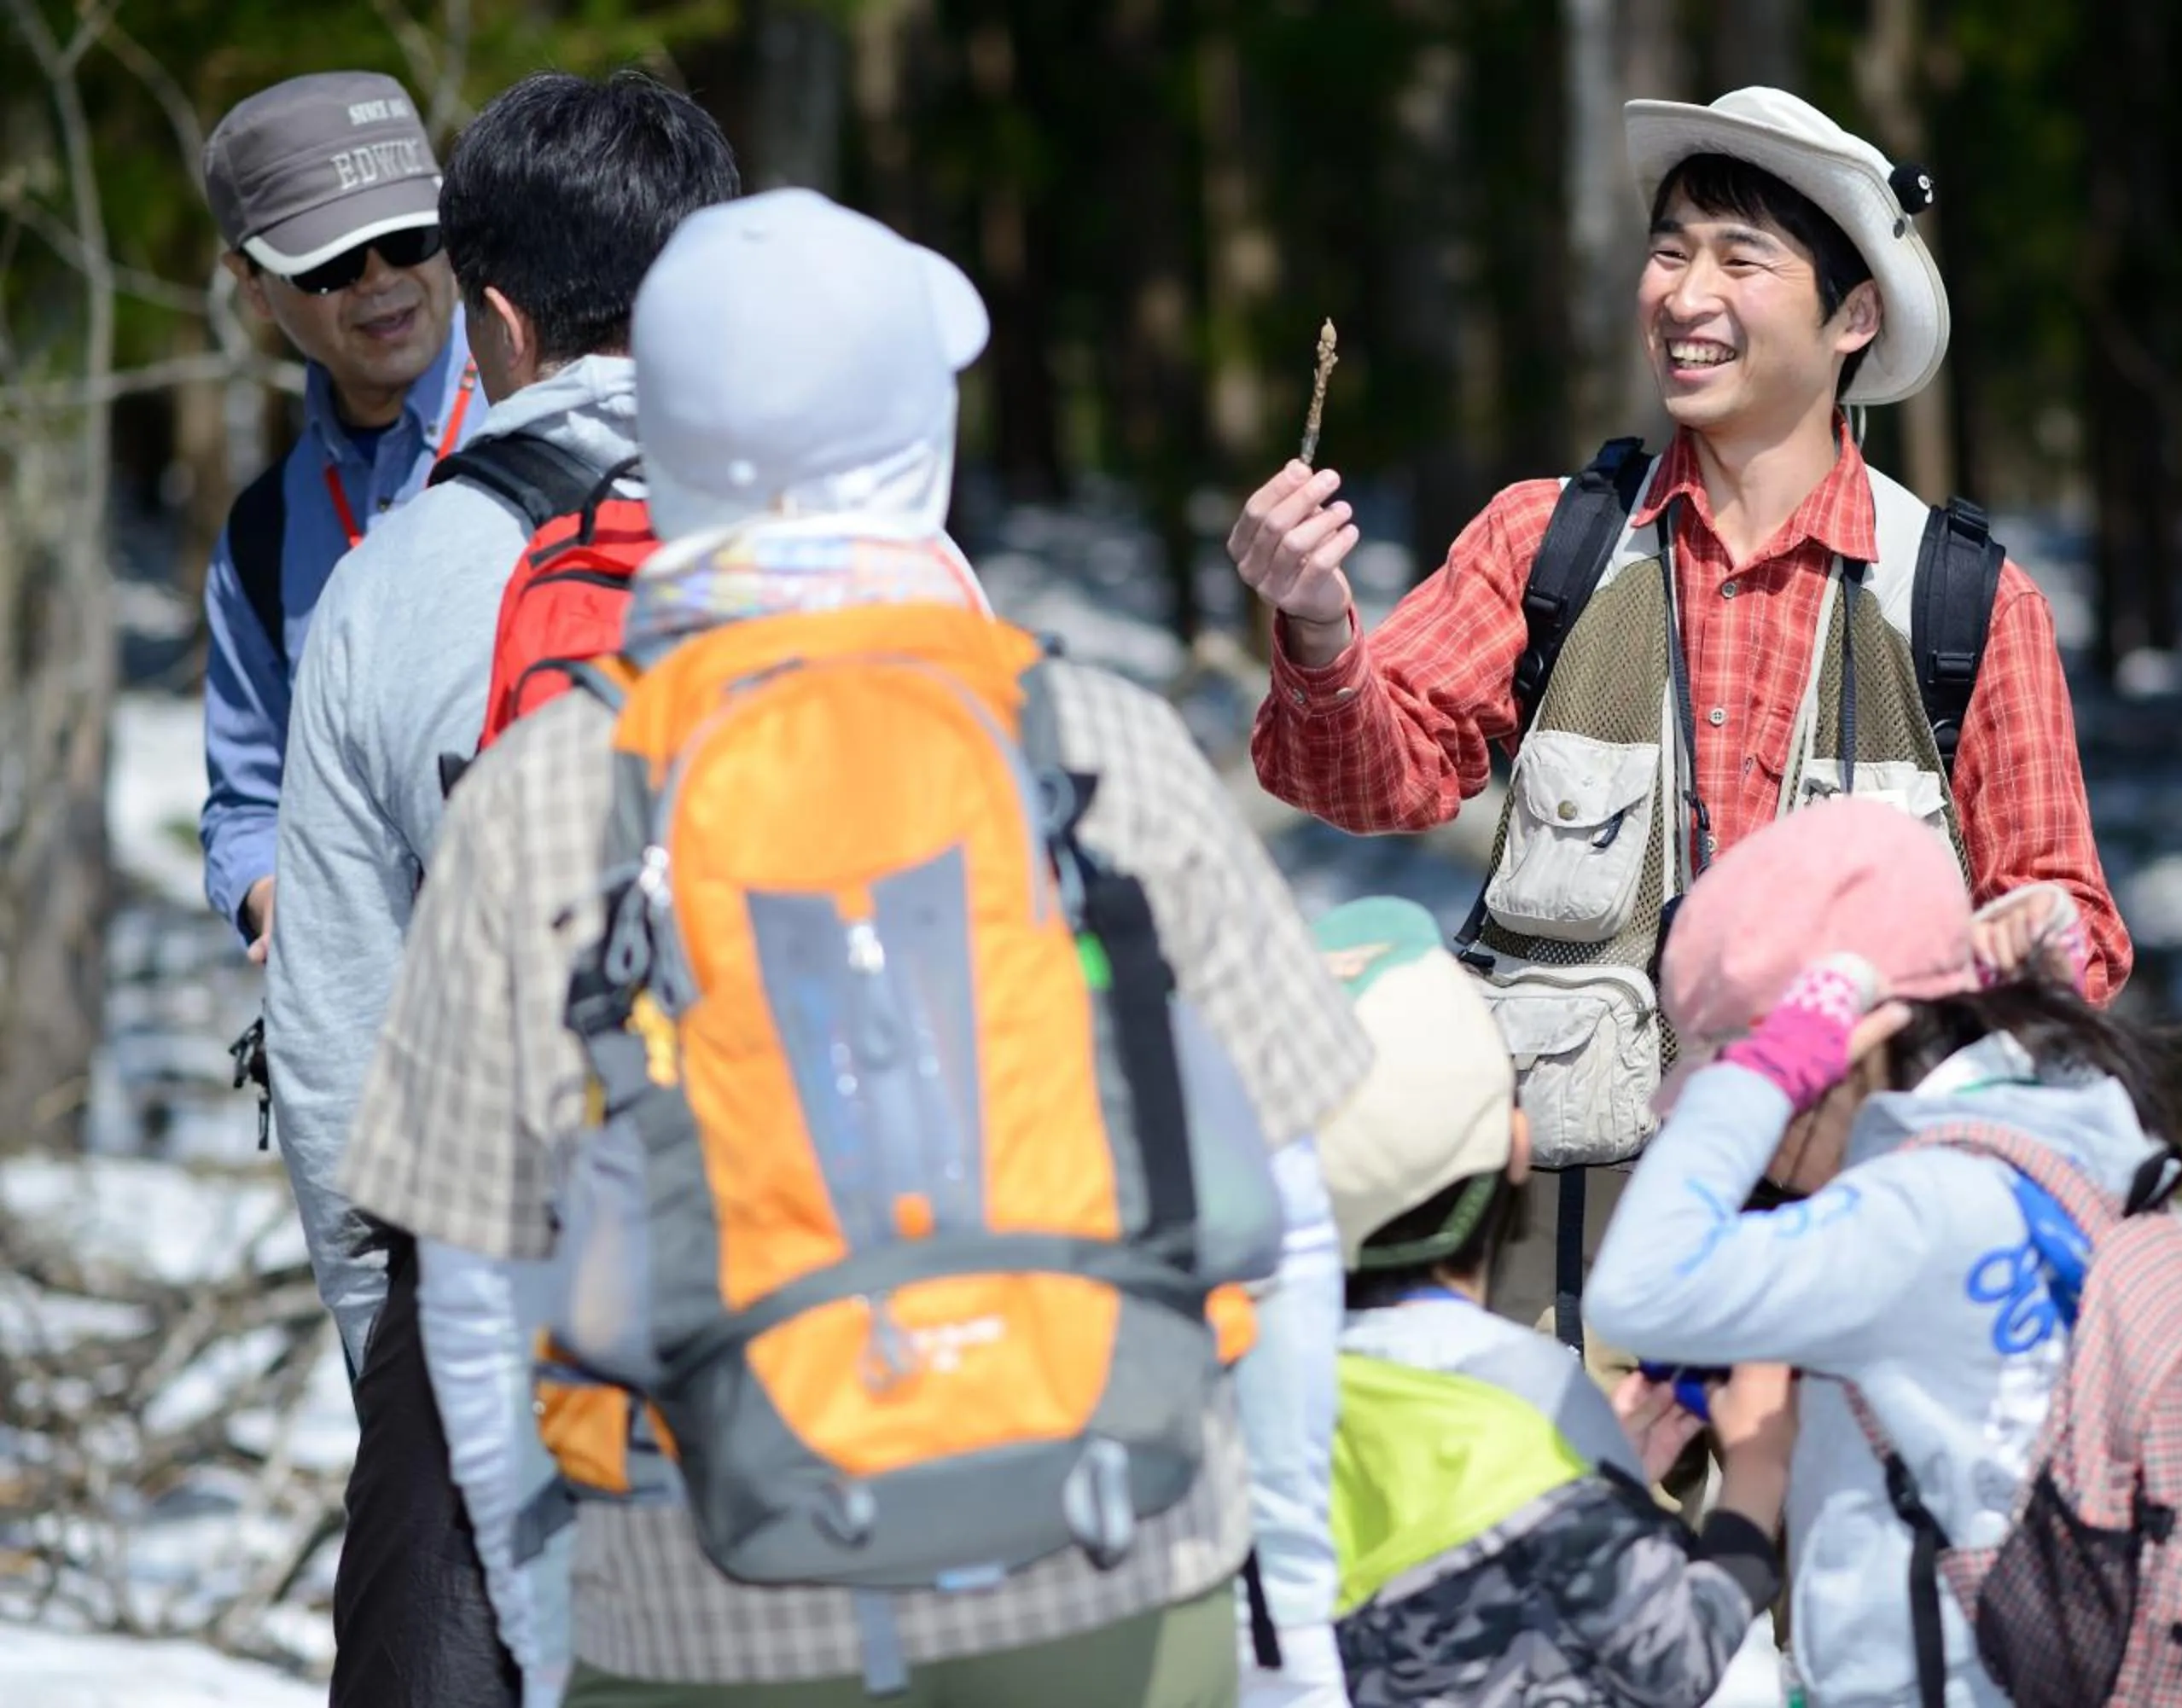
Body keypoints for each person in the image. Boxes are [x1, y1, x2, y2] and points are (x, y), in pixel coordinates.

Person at [335, 186, 1376, 1708]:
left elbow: (481, 1296)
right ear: (916, 436)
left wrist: (558, 1639)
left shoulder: (538, 801)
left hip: (706, 1599)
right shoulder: (1097, 745)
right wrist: (1293, 1614)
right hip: (1112, 1562)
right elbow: (1284, 1218)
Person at [1229, 86, 2125, 1351]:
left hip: (1840, 1274)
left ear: (1853, 314)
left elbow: (2070, 919)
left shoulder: (1968, 601)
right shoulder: (1548, 543)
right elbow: (1369, 783)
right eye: (1669, 248)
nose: (1685, 294)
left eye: (1739, 257)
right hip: (1552, 1267)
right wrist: (1320, 628)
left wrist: (1980, 964)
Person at [264, 69, 740, 1708]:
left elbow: (336, 1038)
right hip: (834, 1275)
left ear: (500, 319)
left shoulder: (388, 592)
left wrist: (384, 1338)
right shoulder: (886, 557)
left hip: (496, 1279)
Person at [1579, 799, 2182, 1707]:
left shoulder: (1912, 1210)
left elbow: (1633, 1287)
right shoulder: (2064, 1125)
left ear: (1847, 1046)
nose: (1752, 1132)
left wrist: (1763, 1067)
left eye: (1752, 1083)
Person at [1306, 893, 1792, 1707]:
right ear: (1517, 1151)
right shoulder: (1537, 1406)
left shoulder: (1251, 1396)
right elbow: (1664, 1657)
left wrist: (1611, 1494)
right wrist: (1756, 1479)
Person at [197, 69, 486, 960]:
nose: (382, 281)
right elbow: (247, 802)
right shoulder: (262, 536)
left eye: (409, 237)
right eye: (330, 263)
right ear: (251, 283)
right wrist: (269, 892)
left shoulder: (565, 422)